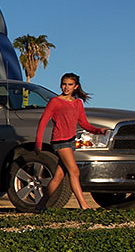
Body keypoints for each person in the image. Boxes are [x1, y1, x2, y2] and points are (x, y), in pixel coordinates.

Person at [35, 72, 107, 210]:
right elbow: (43, 121)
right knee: (74, 172)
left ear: (76, 86)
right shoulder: (55, 101)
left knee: (59, 175)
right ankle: (84, 206)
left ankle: (41, 205)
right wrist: (38, 143)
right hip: (60, 141)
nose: (66, 87)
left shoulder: (77, 103)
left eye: (69, 85)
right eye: (64, 84)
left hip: (70, 141)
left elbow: (84, 124)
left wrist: (99, 130)